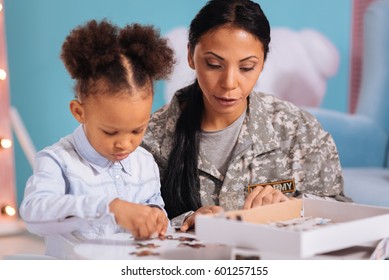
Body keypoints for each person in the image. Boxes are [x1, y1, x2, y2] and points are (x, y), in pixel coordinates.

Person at [141, 0, 346, 231]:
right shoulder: (148, 139)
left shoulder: (298, 131)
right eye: (213, 64)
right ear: (190, 55)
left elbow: (342, 212)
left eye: (246, 68)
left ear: (263, 62)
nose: (229, 83)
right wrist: (183, 222)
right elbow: (122, 223)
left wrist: (290, 207)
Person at [19, 19, 175, 254]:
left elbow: (154, 204)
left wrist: (156, 216)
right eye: (110, 132)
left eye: (137, 130)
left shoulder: (144, 162)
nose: (125, 143)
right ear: (79, 112)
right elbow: (34, 212)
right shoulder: (58, 161)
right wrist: (108, 209)